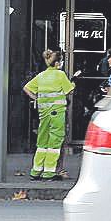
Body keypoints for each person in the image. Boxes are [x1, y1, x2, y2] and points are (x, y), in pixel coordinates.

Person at [23, 49, 75, 180]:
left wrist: (37, 99)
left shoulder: (41, 75)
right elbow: (69, 90)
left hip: (43, 113)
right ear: (57, 63)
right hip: (57, 112)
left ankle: (36, 171)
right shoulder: (60, 75)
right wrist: (74, 83)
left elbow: (26, 88)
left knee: (42, 141)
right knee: (55, 142)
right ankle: (49, 172)